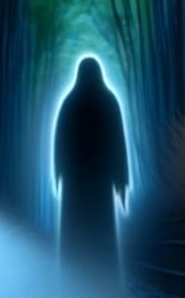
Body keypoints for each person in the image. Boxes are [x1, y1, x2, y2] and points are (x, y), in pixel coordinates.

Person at [53, 56, 129, 277]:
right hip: (100, 183)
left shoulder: (69, 103)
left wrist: (59, 173)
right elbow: (119, 144)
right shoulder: (109, 101)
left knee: (75, 229)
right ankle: (104, 276)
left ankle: (73, 278)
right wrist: (121, 178)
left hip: (75, 184)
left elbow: (59, 144)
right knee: (101, 229)